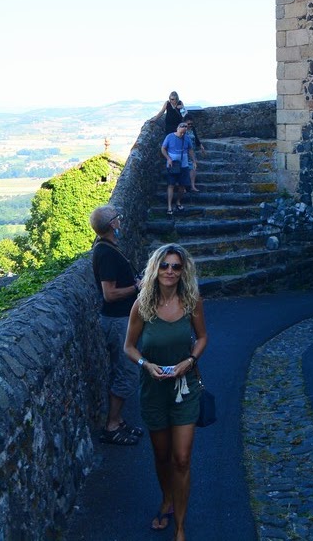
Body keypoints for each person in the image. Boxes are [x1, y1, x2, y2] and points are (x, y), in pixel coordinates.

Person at [124, 244, 207, 540]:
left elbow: (202, 337)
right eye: (165, 265)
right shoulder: (142, 305)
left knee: (181, 458)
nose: (170, 271)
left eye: (176, 266)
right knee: (162, 456)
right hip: (154, 390)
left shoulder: (192, 301)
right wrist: (146, 365)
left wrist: (190, 360)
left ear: (183, 271)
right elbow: (129, 347)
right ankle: (167, 498)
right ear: (155, 269)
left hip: (184, 389)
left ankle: (180, 527)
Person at [90, 205, 142, 446]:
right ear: (112, 224)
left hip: (121, 319)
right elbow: (109, 294)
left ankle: (118, 421)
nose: (120, 220)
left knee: (122, 370)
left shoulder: (107, 247)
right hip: (117, 321)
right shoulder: (106, 253)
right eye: (116, 217)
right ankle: (111, 426)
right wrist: (137, 287)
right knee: (127, 372)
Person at [161, 122, 197, 215]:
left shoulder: (187, 138)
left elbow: (190, 150)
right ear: (177, 128)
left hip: (184, 165)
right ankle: (169, 206)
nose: (184, 127)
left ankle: (178, 202)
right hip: (172, 165)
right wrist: (168, 159)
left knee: (182, 185)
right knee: (171, 185)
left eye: (186, 126)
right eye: (182, 126)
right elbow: (163, 148)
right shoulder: (170, 137)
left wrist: (194, 161)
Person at [180, 117, 205, 192]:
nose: (190, 125)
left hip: (192, 152)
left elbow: (196, 138)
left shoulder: (192, 129)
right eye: (189, 124)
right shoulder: (181, 130)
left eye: (191, 124)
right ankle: (183, 187)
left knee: (193, 168)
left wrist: (201, 146)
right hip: (184, 152)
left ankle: (192, 186)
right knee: (184, 169)